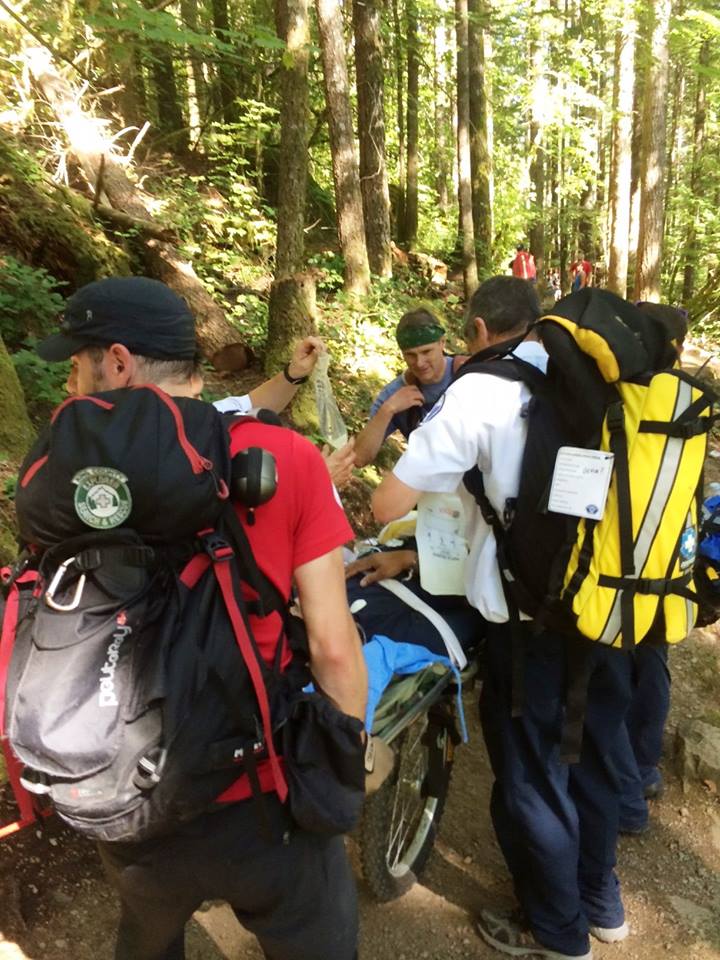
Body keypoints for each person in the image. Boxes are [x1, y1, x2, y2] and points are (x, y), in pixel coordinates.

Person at [35, 275, 368, 960]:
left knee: (149, 939)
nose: (73, 384)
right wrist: (339, 771)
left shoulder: (67, 478)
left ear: (119, 362)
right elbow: (335, 650)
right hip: (260, 796)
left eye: (76, 363)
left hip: (122, 792)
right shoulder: (287, 459)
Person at [372, 275, 633, 960]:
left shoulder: (479, 390)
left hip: (528, 617)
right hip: (605, 600)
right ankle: (603, 907)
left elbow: (385, 504)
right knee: (592, 753)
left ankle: (557, 932)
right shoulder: (591, 374)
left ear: (479, 332)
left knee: (532, 775)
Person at [617, 302, 690, 834]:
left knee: (621, 664)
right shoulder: (691, 398)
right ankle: (641, 770)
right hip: (670, 549)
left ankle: (627, 783)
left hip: (627, 552)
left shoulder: (630, 393)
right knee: (654, 659)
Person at [353, 307, 465, 467]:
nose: (419, 363)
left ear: (442, 343)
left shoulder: (467, 372)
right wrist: (388, 409)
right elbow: (358, 458)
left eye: (426, 352)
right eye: (410, 355)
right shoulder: (394, 394)